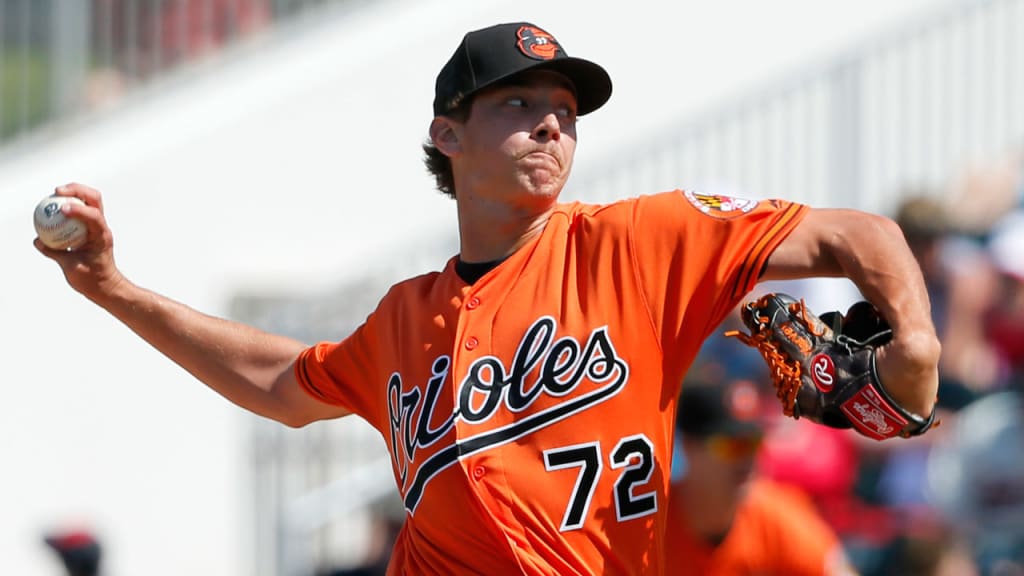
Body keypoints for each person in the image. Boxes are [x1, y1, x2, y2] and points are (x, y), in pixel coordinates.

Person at [36, 21, 940, 575]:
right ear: (448, 133)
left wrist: (919, 344)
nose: (552, 120)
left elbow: (859, 237)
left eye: (565, 107)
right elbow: (279, 384)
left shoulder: (639, 241)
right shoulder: (403, 318)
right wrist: (114, 288)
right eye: (517, 102)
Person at [667, 378, 856, 575]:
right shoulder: (653, 521)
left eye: (752, 443)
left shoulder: (777, 515)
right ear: (689, 447)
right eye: (732, 446)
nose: (746, 458)